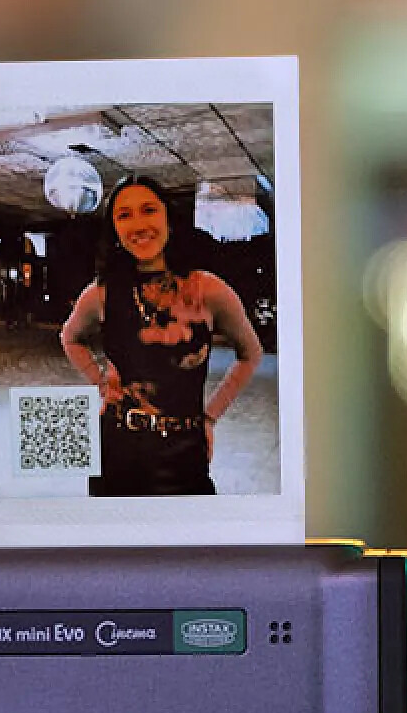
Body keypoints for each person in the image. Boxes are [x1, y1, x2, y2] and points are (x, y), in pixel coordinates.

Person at [60, 174, 263, 496]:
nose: (138, 224)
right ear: (114, 230)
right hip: (115, 447)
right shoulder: (102, 293)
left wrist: (210, 417)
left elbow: (250, 353)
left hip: (184, 450)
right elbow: (70, 337)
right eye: (124, 215)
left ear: (168, 219)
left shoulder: (207, 289)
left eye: (148, 210)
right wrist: (100, 383)